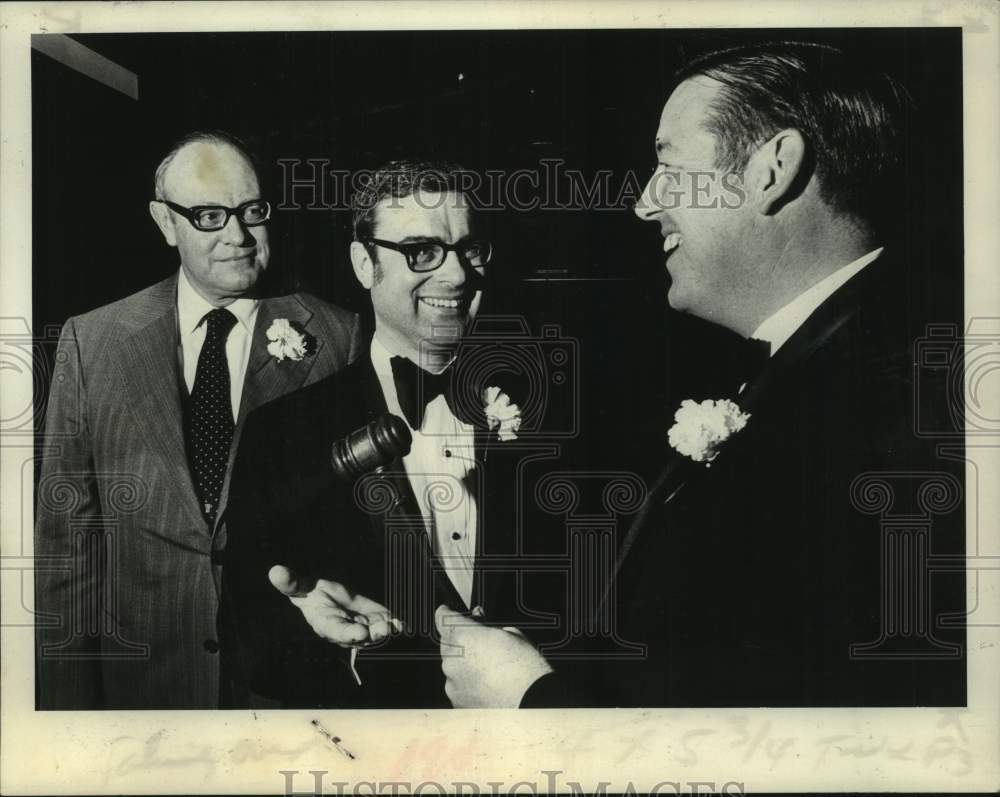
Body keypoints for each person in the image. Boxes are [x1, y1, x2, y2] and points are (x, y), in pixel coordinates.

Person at [437, 41, 966, 708]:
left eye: (668, 164)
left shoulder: (896, 404)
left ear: (773, 169)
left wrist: (528, 703)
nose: (645, 203)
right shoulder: (835, 367)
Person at [34, 131, 361, 709]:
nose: (236, 236)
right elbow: (68, 550)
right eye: (209, 216)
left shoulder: (339, 337)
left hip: (288, 693)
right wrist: (67, 722)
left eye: (252, 212)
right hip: (145, 694)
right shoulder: (94, 341)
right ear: (166, 224)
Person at [223, 160, 534, 707]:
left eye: (470, 250)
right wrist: (331, 640)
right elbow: (251, 637)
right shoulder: (283, 432)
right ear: (364, 263)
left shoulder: (546, 408)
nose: (457, 276)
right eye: (422, 252)